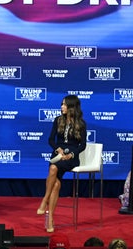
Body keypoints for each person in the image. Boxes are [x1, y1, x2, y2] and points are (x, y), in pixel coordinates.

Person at [37, 95, 86, 233]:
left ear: (72, 107)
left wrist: (71, 154)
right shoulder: (57, 120)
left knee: (53, 169)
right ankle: (50, 217)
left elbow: (83, 145)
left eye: (64, 104)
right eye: (61, 104)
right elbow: (51, 140)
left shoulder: (81, 124)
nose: (62, 107)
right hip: (58, 154)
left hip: (71, 157)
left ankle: (44, 201)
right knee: (56, 183)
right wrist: (57, 150)